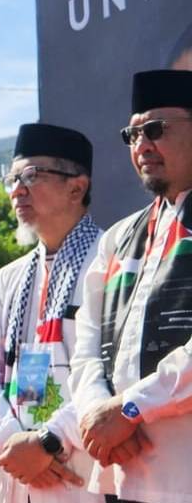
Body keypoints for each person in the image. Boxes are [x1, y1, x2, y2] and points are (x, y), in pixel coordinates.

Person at [70, 69, 192, 503]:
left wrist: (131, 407)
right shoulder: (119, 237)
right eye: (132, 134)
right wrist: (96, 413)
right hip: (129, 472)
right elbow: (86, 344)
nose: (141, 146)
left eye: (155, 129)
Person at [0, 123, 98, 502]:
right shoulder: (8, 279)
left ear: (77, 187)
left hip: (81, 465)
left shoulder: (109, 260)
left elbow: (114, 369)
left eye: (32, 176)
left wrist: (49, 441)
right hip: (15, 468)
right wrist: (12, 440)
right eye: (12, 179)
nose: (17, 190)